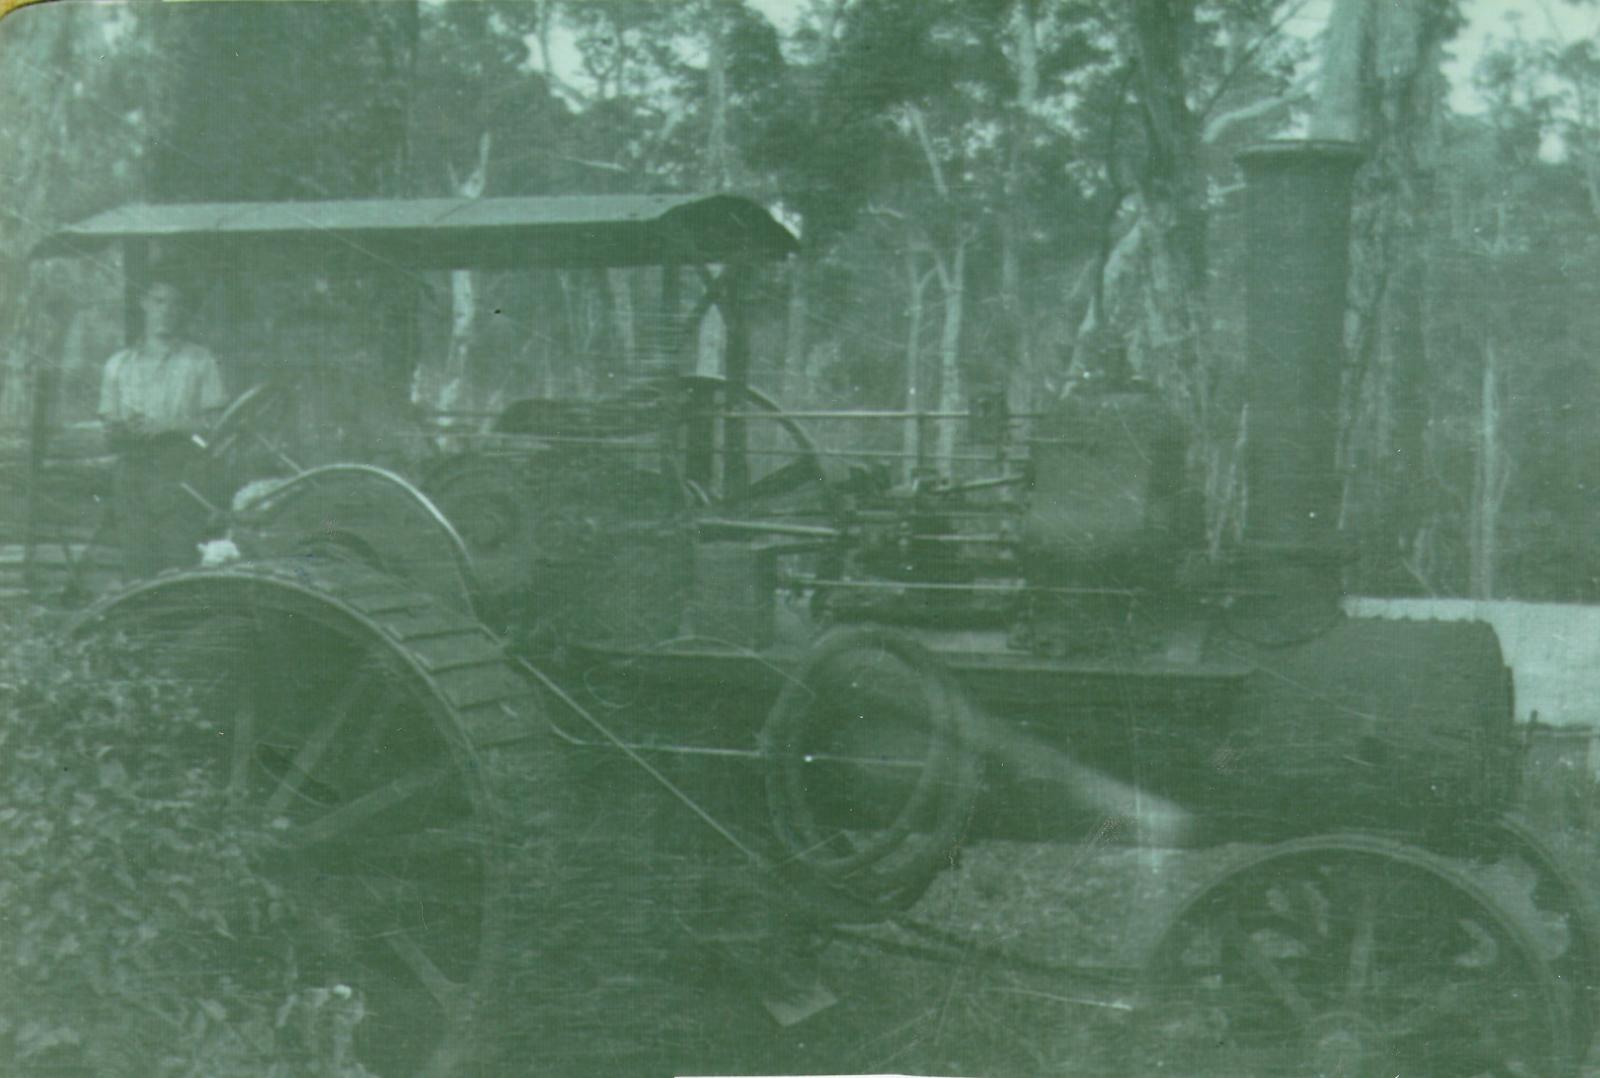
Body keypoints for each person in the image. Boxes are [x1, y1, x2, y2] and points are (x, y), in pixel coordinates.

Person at [98, 276, 227, 577]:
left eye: (175, 303)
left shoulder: (199, 360)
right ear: (144, 304)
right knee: (136, 559)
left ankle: (178, 623)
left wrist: (169, 425)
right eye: (159, 301)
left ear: (183, 311)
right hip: (132, 473)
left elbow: (217, 425)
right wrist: (122, 429)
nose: (166, 310)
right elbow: (108, 428)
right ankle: (138, 624)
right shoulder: (119, 364)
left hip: (180, 473)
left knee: (178, 559)